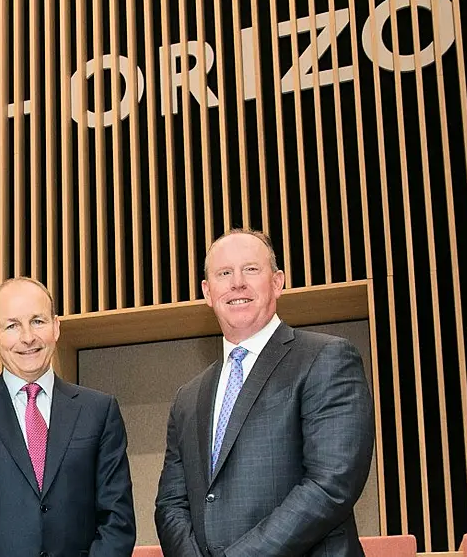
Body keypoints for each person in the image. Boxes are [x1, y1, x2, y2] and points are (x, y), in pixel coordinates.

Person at [154, 229, 375, 557]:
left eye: (251, 269)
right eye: (224, 273)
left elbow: (331, 484)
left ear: (277, 282)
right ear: (207, 291)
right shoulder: (188, 397)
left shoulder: (326, 358)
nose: (237, 283)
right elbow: (171, 503)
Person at [0, 277, 136, 557]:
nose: (27, 337)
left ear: (56, 327)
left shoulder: (99, 410)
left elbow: (117, 519)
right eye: (12, 325)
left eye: (38, 321)